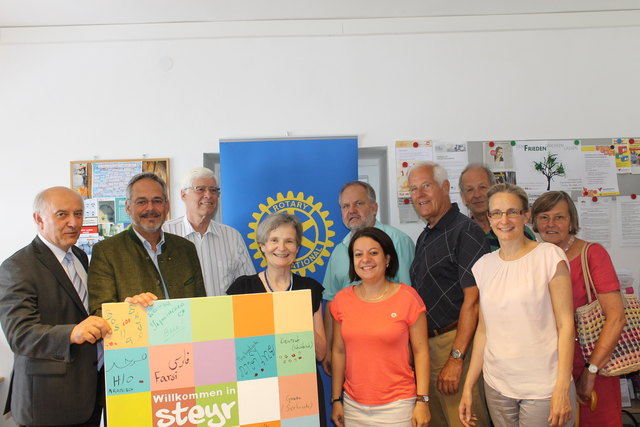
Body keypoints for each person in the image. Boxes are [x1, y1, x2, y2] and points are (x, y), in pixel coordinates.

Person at [459, 183, 576, 427]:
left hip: (544, 386)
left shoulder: (549, 257)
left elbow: (566, 325)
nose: (505, 220)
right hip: (498, 386)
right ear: (489, 219)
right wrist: (469, 386)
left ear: (526, 215)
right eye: (497, 213)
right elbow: (483, 330)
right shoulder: (483, 266)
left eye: (512, 212)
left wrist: (562, 388)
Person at [0, 187, 112, 426]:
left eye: (78, 214)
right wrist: (72, 332)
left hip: (89, 395)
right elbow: (19, 334)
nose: (73, 223)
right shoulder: (17, 267)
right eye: (62, 214)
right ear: (39, 219)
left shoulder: (80, 256)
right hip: (47, 402)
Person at [532, 191, 625, 426]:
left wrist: (591, 370)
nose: (550, 224)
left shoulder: (592, 254)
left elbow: (616, 318)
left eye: (559, 217)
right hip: (548, 371)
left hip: (591, 366)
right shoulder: (534, 258)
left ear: (572, 221)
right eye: (544, 217)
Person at [408, 161, 489, 427]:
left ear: (445, 188)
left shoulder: (466, 231)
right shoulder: (426, 236)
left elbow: (474, 300)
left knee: (464, 421)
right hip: (428, 347)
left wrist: (456, 359)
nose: (419, 195)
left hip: (455, 344)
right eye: (413, 189)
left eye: (426, 186)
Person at [227, 212, 327, 426]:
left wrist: (295, 318)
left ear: (297, 248)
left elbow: (320, 353)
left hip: (301, 390)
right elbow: (229, 348)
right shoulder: (242, 288)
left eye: (289, 241)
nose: (281, 248)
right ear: (262, 245)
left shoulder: (309, 288)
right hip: (257, 389)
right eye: (274, 240)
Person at [330, 227, 429, 427]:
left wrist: (422, 400)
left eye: (373, 253)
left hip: (398, 406)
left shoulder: (408, 298)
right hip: (353, 405)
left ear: (387, 259)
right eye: (358, 254)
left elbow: (421, 352)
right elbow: (339, 352)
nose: (365, 259)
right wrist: (336, 400)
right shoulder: (341, 300)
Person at [322, 181, 415, 374]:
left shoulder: (397, 242)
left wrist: (411, 352)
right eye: (345, 206)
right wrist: (330, 349)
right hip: (349, 353)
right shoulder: (339, 251)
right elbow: (331, 303)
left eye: (358, 204)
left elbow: (411, 301)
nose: (351, 211)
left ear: (374, 208)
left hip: (390, 353)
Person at [88, 172, 205, 317]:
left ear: (167, 206)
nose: (150, 208)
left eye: (157, 201)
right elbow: (100, 312)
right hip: (137, 338)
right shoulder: (106, 252)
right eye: (141, 202)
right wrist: (129, 309)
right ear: (128, 207)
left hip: (188, 338)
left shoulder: (186, 249)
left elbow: (201, 305)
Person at [163, 167, 255, 296]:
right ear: (183, 195)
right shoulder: (164, 234)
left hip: (224, 315)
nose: (208, 195)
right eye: (200, 189)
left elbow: (248, 286)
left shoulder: (232, 237)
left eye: (213, 190)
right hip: (180, 315)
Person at [459, 164, 536, 251]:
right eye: (470, 190)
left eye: (482, 187)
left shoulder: (518, 231)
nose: (477, 194)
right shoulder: (460, 236)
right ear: (463, 197)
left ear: (494, 189)